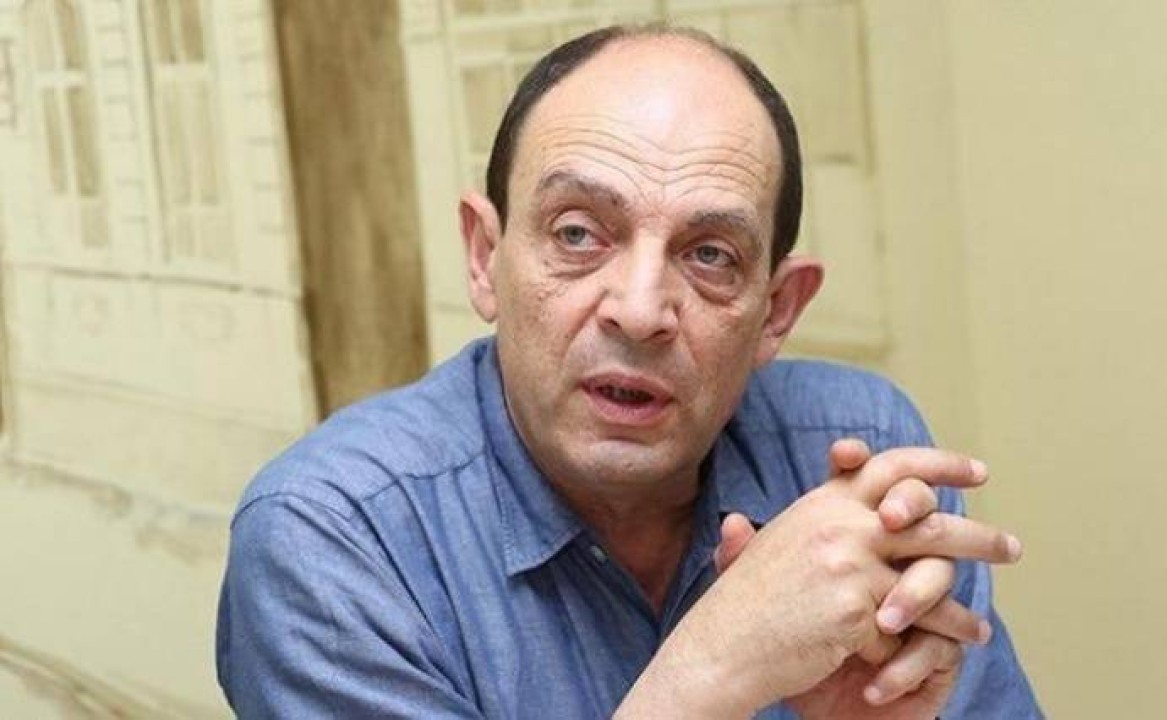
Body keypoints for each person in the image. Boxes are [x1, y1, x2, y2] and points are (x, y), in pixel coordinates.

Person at [216, 25, 1041, 719]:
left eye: (710, 255)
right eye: (577, 234)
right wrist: (711, 673)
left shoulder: (860, 461)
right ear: (484, 257)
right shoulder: (329, 535)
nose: (640, 311)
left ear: (776, 311)